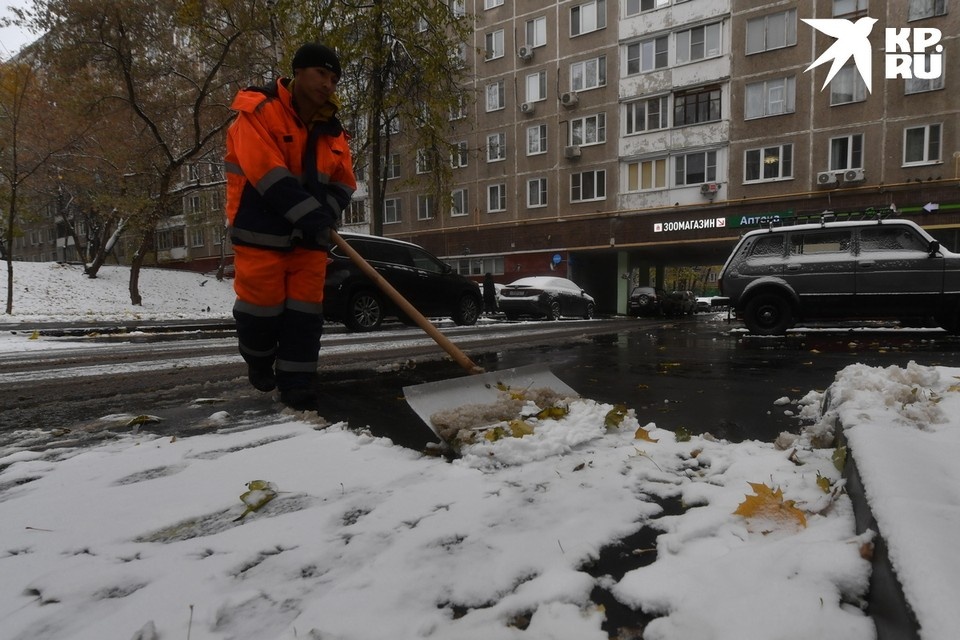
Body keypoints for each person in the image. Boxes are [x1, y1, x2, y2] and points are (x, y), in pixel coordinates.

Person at [225, 43, 356, 411]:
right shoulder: (258, 111)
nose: (328, 84)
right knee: (259, 312)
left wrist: (324, 215)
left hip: (310, 241)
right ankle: (259, 360)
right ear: (297, 72)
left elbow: (344, 181)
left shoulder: (333, 131)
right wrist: (313, 215)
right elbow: (266, 172)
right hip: (260, 233)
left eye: (333, 78)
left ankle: (297, 384)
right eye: (321, 74)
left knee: (304, 316)